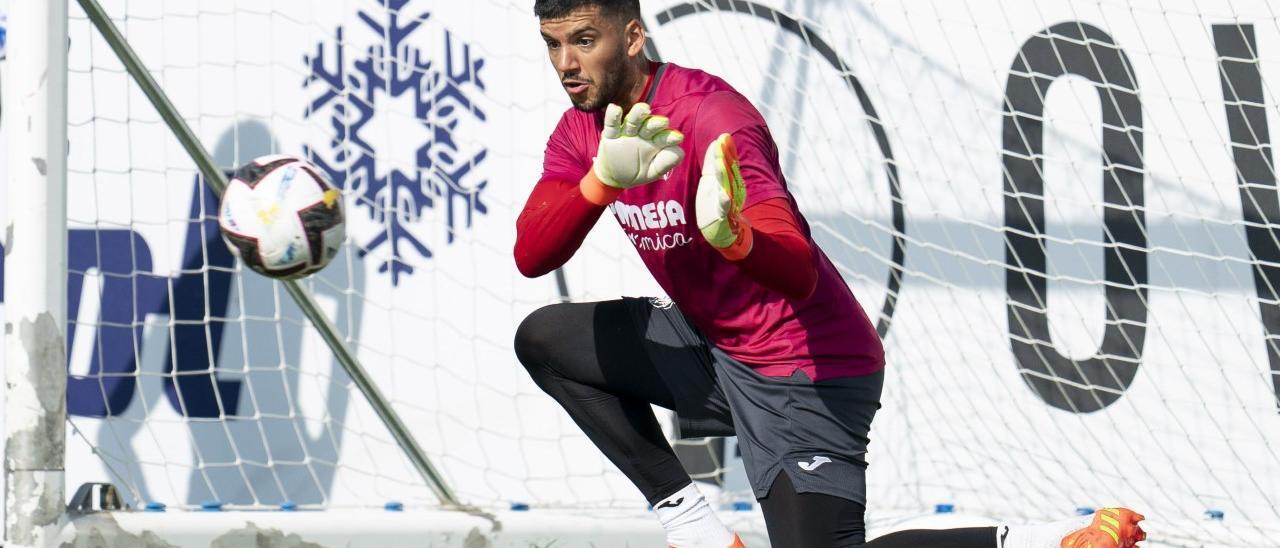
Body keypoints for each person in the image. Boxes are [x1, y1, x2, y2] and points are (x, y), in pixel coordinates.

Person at [512, 1, 1147, 546]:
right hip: (712, 348)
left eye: (584, 41)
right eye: (554, 44)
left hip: (806, 368)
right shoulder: (581, 134)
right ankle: (694, 527)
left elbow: (798, 270)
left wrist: (737, 241)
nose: (566, 63)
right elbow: (532, 255)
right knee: (546, 340)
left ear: (632, 37)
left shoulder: (713, 116)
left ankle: (1045, 541)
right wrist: (600, 183)